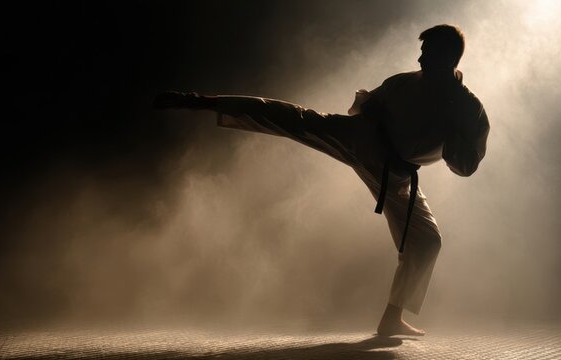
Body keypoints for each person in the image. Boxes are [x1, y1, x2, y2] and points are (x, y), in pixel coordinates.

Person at [154, 24, 489, 336]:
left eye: (427, 52)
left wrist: (455, 139)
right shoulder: (404, 82)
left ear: (447, 58)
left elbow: (465, 166)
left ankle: (391, 319)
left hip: (398, 174)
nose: (419, 57)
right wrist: (371, 111)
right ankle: (200, 101)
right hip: (364, 140)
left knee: (428, 241)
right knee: (300, 120)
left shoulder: (468, 108)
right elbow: (363, 108)